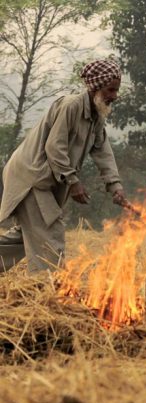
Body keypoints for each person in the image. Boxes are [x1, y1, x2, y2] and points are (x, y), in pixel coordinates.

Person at [0, 59, 127, 273]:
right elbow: (54, 147)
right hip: (32, 177)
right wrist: (73, 180)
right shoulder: (71, 105)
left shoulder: (97, 114)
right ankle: (46, 290)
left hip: (41, 179)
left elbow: (102, 150)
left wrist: (115, 185)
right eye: (110, 89)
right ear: (95, 87)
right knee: (50, 232)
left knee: (28, 236)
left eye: (116, 90)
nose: (114, 95)